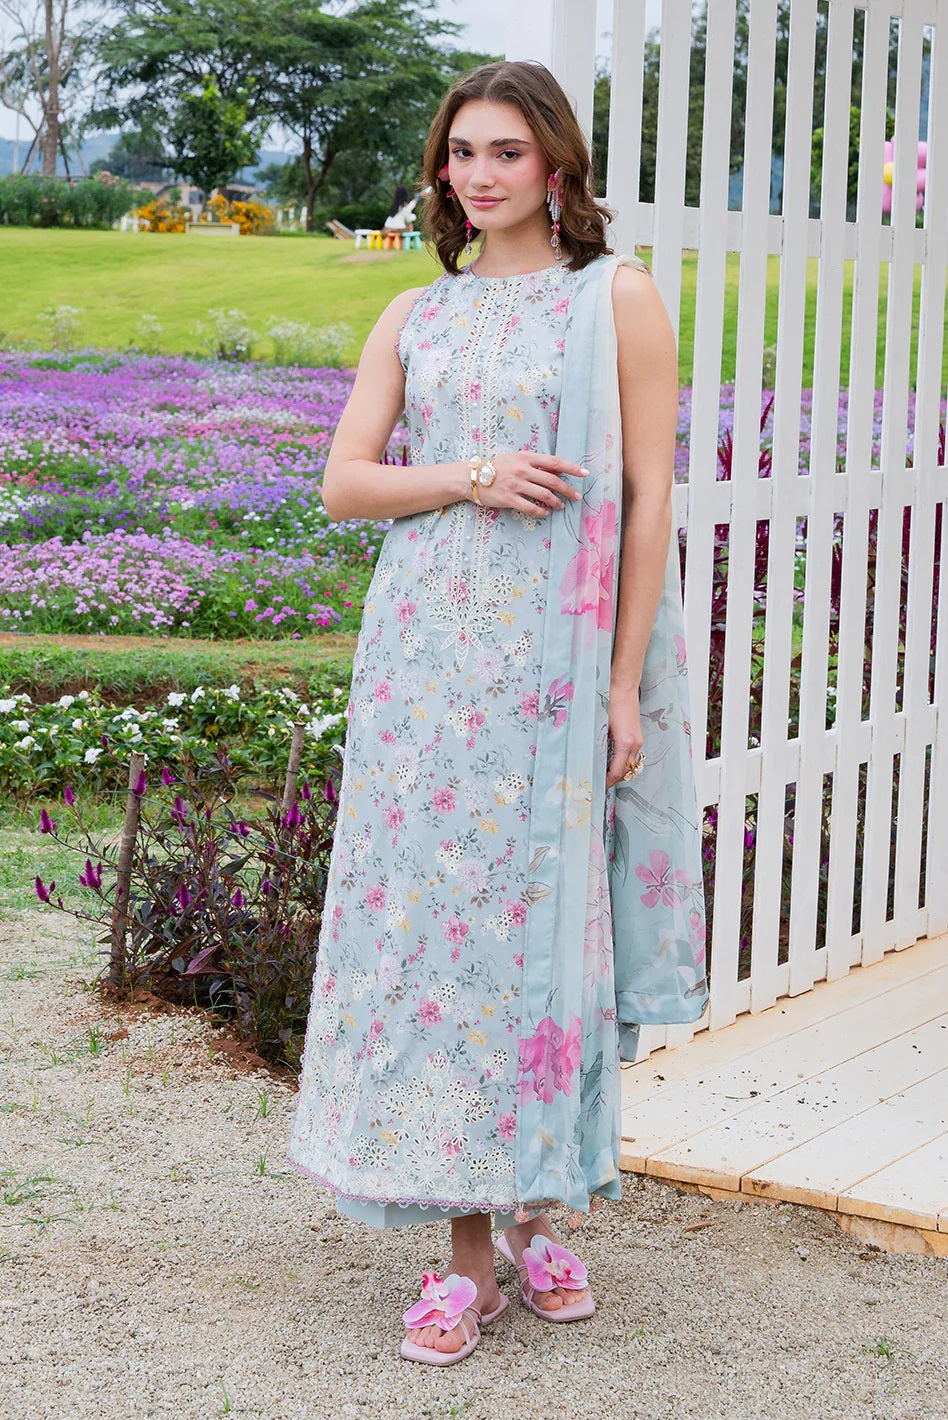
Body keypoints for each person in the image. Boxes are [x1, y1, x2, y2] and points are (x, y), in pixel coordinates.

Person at [285, 58, 708, 1366]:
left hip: (559, 671)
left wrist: (625, 684)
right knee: (441, 948)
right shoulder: (416, 313)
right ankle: (467, 1255)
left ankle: (531, 1215)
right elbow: (345, 485)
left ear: (557, 164)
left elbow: (648, 496)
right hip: (425, 678)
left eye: (505, 153)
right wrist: (469, 474)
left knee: (545, 936)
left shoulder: (614, 297)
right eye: (460, 153)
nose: (477, 175)